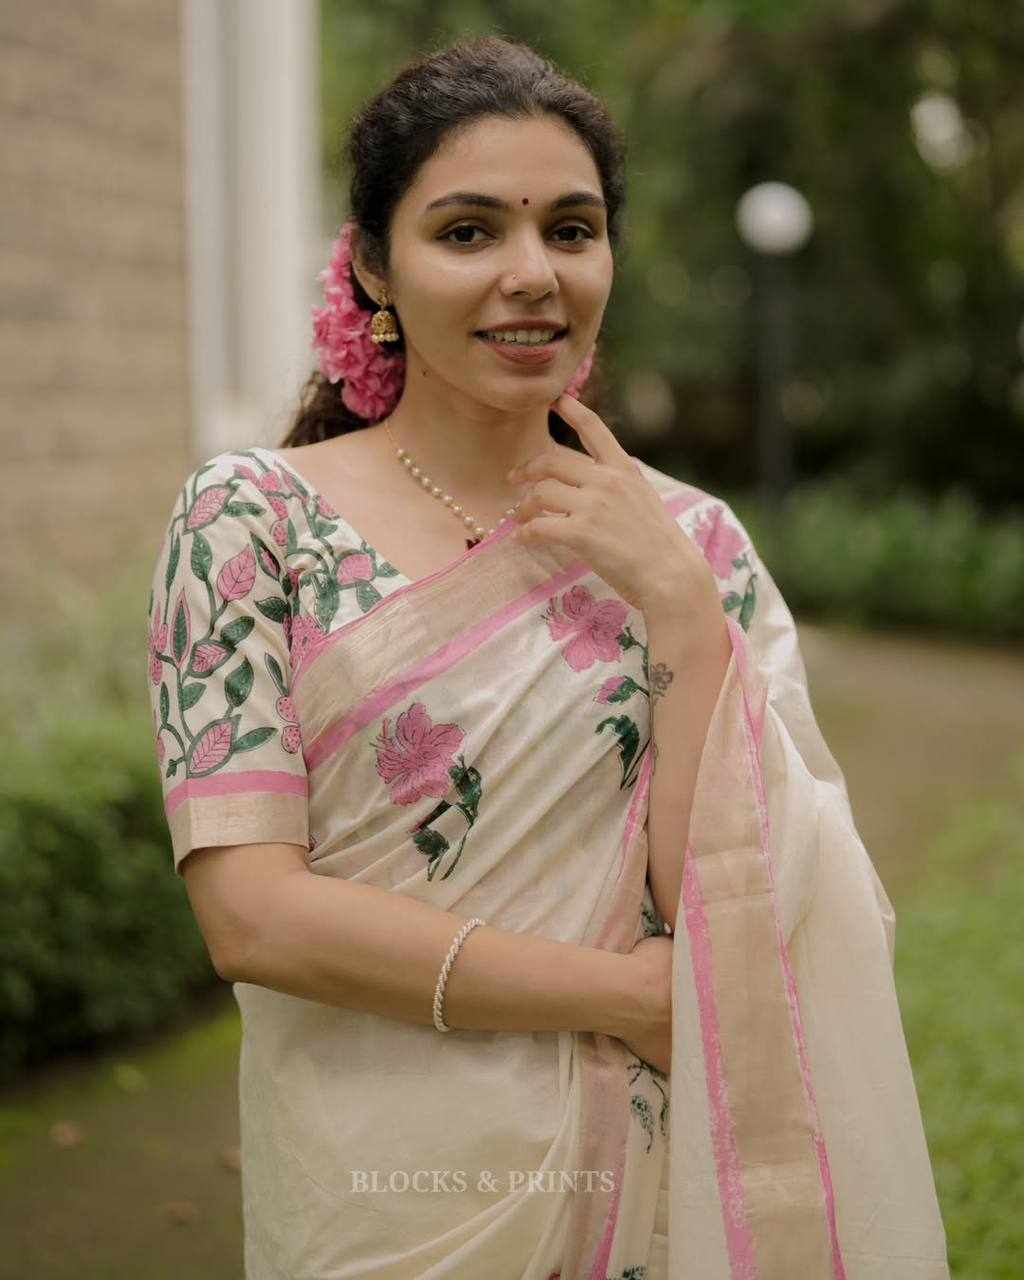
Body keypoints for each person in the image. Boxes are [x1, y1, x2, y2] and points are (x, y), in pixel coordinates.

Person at [145, 34, 950, 1280]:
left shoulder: (692, 545)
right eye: (468, 231)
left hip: (656, 1188)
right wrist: (614, 994)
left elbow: (745, 896)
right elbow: (251, 916)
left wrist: (680, 614)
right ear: (372, 266)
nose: (532, 274)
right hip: (383, 1193)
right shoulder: (251, 519)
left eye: (570, 230)